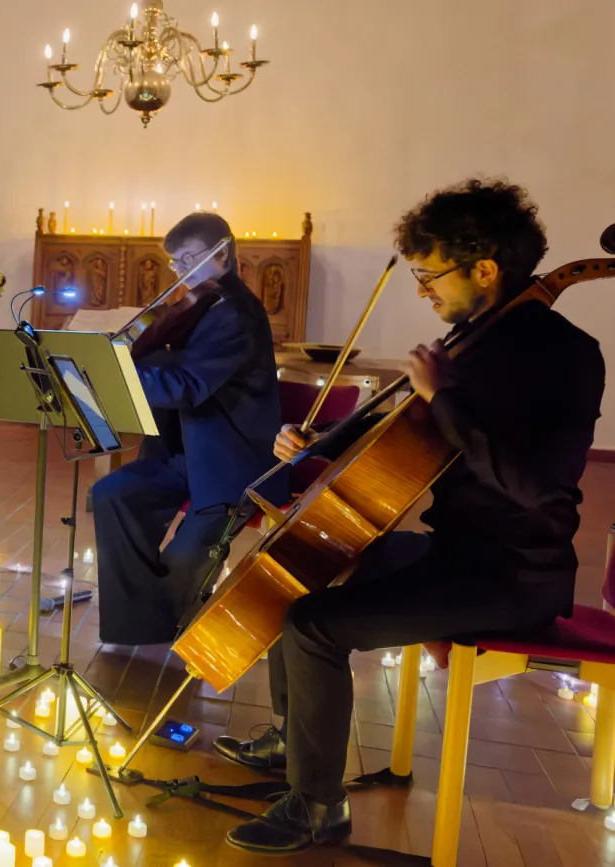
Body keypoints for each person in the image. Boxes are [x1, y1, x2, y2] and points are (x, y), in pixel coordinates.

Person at [219, 178, 605, 855]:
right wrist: (316, 446)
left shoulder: (562, 353)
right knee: (305, 569)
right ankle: (293, 738)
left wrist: (445, 397)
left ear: (485, 268)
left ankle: (317, 806)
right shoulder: (476, 339)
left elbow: (536, 484)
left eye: (431, 277)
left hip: (512, 575)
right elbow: (406, 430)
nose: (425, 293)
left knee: (313, 625)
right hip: (454, 551)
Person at [90, 211, 286, 645]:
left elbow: (188, 384)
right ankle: (136, 626)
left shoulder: (235, 313)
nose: (179, 271)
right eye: (175, 263)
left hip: (229, 459)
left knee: (184, 558)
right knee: (112, 495)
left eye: (188, 258)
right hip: (184, 454)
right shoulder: (204, 305)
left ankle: (170, 623)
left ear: (223, 253)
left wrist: (114, 376)